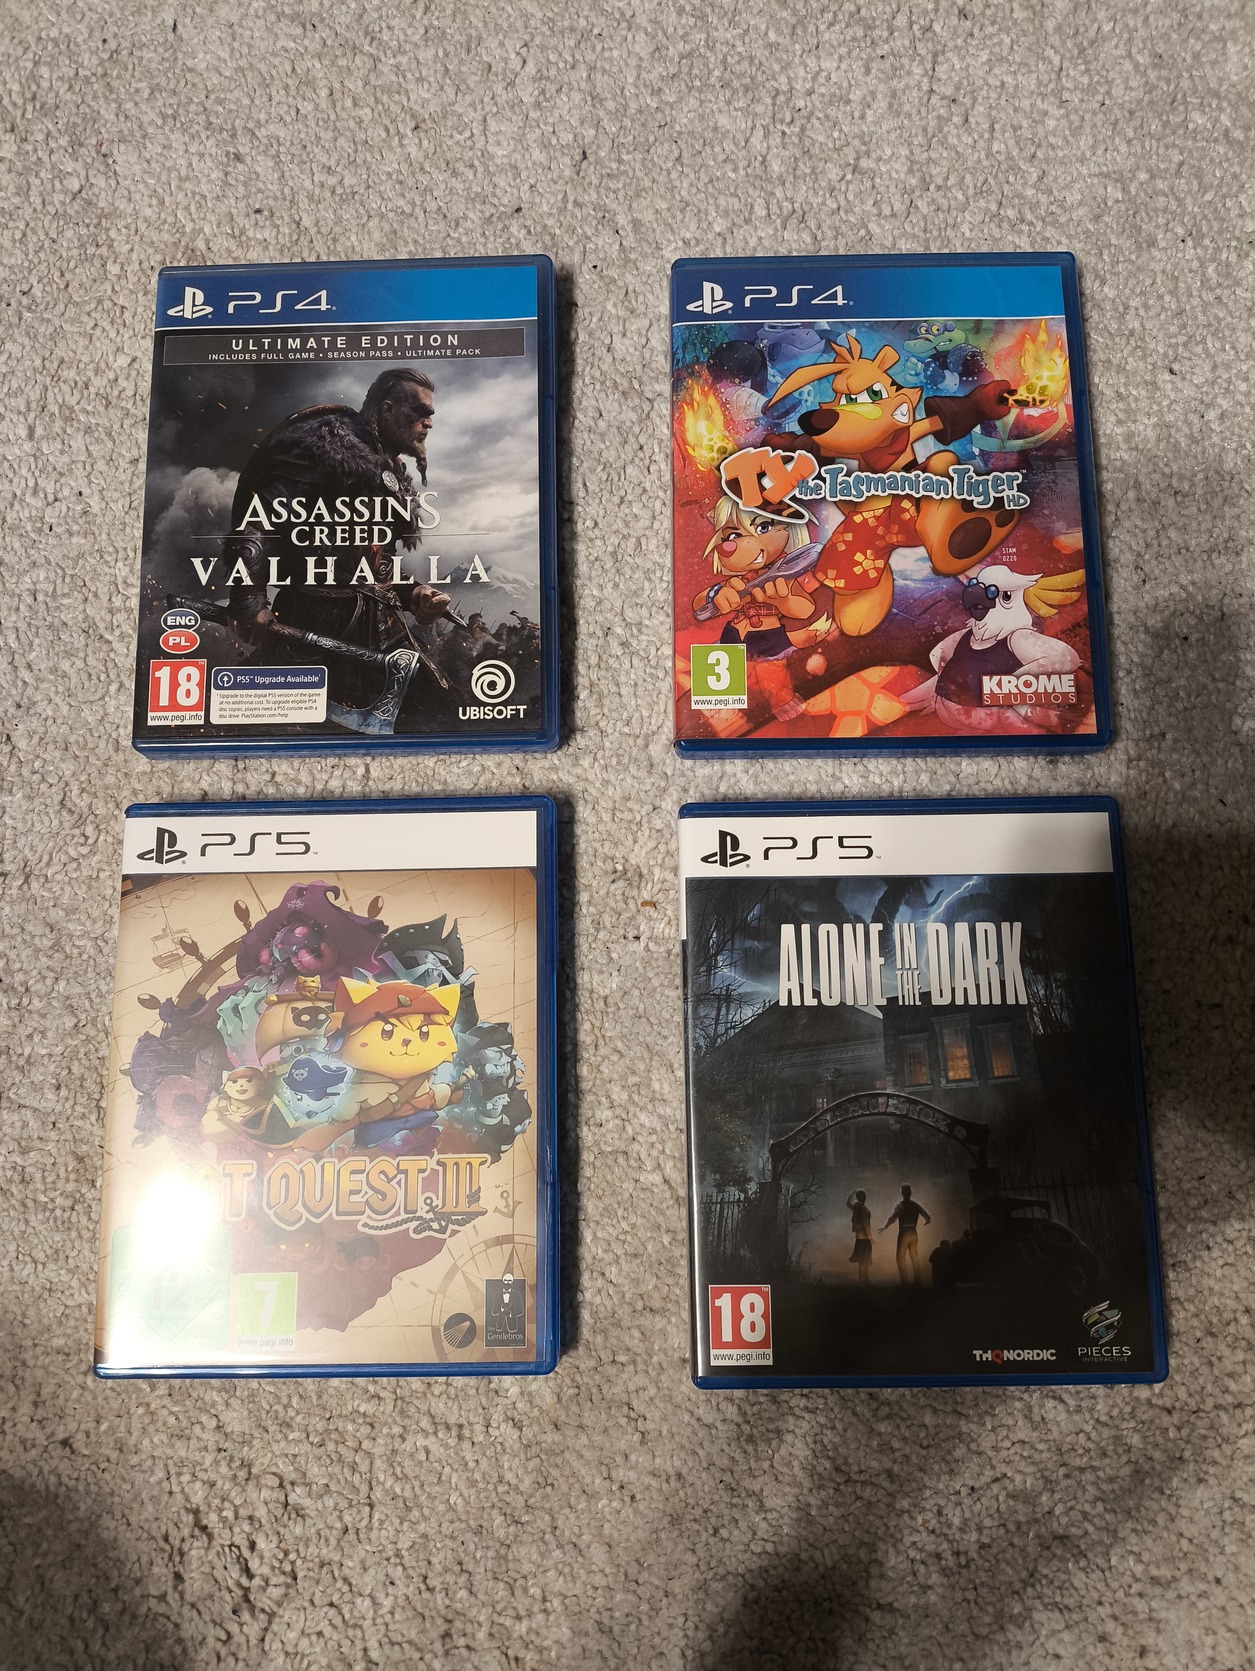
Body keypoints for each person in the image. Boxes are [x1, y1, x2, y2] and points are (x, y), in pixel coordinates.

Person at [223, 366, 454, 714]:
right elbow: (258, 520)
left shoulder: (391, 472)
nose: (429, 423)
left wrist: (414, 594)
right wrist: (249, 600)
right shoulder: (324, 449)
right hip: (313, 631)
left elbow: (372, 566)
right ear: (387, 409)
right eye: (420, 412)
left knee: (439, 712)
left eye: (430, 415)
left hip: (382, 636)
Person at [881, 1184, 932, 1285]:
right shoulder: (915, 1205)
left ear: (902, 1193)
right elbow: (927, 1217)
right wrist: (927, 1221)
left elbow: (893, 1218)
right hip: (913, 1232)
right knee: (914, 1257)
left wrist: (885, 1227)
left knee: (900, 1257)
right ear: (910, 1192)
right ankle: (918, 1280)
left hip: (904, 1232)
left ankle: (904, 1281)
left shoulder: (900, 1205)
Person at [845, 1189, 874, 1284]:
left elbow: (847, 1203)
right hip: (865, 1238)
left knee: (863, 1260)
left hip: (859, 1237)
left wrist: (850, 1194)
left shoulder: (857, 1208)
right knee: (864, 1260)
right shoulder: (863, 1208)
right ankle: (863, 1282)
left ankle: (866, 1280)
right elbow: (865, 1224)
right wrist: (870, 1237)